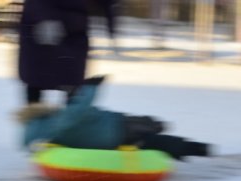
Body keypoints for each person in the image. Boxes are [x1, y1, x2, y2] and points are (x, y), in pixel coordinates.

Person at [18, 76, 212, 160]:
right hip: (117, 127)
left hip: (111, 134)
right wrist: (91, 86)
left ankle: (185, 146)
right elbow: (77, 110)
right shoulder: (56, 122)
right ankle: (195, 148)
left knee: (151, 140)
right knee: (154, 132)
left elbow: (24, 140)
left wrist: (33, 148)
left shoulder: (48, 132)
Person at [18, 0, 116, 106]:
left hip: (74, 28)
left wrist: (111, 19)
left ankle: (69, 118)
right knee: (36, 79)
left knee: (71, 80)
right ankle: (34, 118)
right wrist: (44, 16)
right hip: (39, 25)